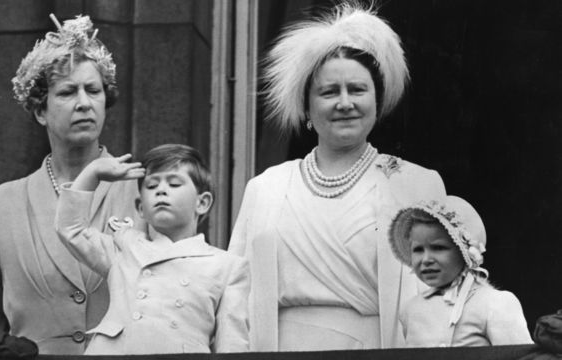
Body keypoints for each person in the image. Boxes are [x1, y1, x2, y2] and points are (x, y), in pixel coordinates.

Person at [228, 2, 447, 351]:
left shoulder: (415, 184)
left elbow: (440, 302)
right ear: (307, 109)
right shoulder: (266, 187)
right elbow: (235, 299)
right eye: (329, 92)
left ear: (377, 102)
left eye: (357, 90)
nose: (344, 103)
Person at [0, 14, 143, 357]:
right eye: (67, 92)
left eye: (93, 90)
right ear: (40, 110)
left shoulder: (143, 190)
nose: (83, 102)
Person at [55, 144, 250, 354]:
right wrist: (92, 173)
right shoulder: (124, 248)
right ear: (140, 208)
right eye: (151, 186)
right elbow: (71, 229)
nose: (161, 190)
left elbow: (232, 346)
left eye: (174, 183)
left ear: (202, 203)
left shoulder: (227, 266)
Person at [389, 196, 533, 347]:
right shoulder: (411, 309)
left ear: (464, 252)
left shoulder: (495, 303)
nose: (426, 259)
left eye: (438, 248)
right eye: (418, 249)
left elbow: (519, 356)